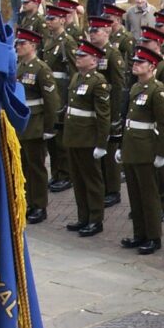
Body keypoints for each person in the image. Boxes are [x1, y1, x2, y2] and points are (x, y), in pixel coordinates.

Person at [119, 44, 164, 254]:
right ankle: (139, 234)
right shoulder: (135, 87)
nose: (135, 65)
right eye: (134, 61)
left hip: (146, 149)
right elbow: (129, 121)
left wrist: (161, 153)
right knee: (134, 194)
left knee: (149, 196)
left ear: (151, 66)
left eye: (140, 62)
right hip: (132, 147)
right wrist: (121, 146)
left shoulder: (157, 90)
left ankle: (153, 236)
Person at [63, 38, 111, 238]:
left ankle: (95, 219)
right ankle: (83, 216)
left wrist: (101, 143)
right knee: (78, 179)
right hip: (74, 137)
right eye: (78, 54)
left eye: (83, 56)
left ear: (94, 60)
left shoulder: (97, 81)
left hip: (88, 138)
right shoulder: (76, 78)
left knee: (92, 180)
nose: (78, 58)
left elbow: (103, 115)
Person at [14, 28, 60, 224]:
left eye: (22, 43)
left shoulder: (41, 69)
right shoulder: (19, 66)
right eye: (17, 43)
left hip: (36, 124)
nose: (18, 46)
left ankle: (39, 205)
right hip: (22, 124)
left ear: (33, 45)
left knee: (36, 167)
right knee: (23, 166)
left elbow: (51, 101)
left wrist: (50, 128)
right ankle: (28, 202)